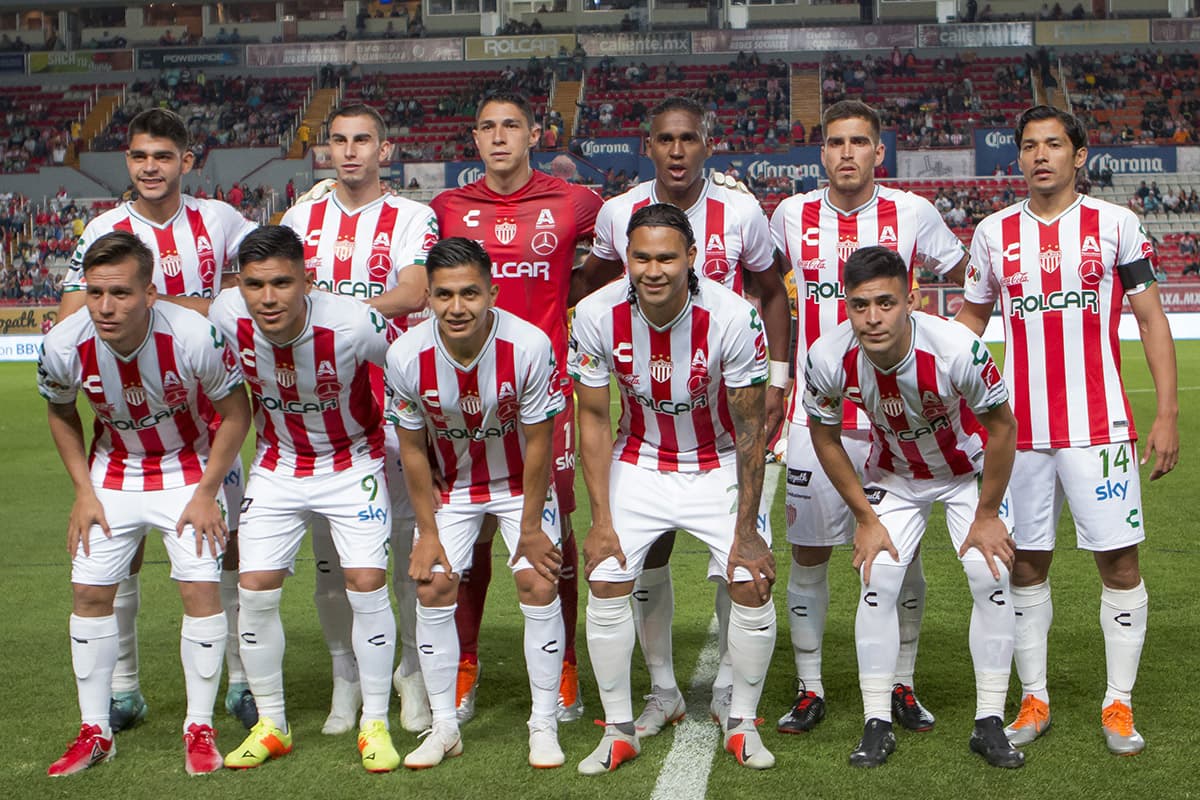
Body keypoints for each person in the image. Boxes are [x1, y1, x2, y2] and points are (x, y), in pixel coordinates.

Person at [957, 105, 1179, 756]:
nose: (1041, 155)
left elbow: (1152, 319)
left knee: (1120, 562)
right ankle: (1035, 699)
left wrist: (1167, 414)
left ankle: (1119, 703)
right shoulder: (994, 233)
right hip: (1018, 432)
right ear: (1018, 157)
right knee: (1024, 564)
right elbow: (970, 323)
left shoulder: (1117, 225)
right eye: (1029, 146)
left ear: (1079, 156)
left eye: (1054, 144)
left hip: (1099, 427)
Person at [582, 96, 790, 732]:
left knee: (742, 564)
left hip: (721, 411)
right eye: (665, 139)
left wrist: (779, 377)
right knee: (639, 559)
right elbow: (588, 283)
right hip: (646, 426)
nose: (677, 150)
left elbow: (772, 290)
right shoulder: (618, 215)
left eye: (688, 139)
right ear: (648, 145)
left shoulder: (741, 212)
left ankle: (730, 688)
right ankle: (661, 690)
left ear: (707, 144)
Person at [768, 100, 968, 735]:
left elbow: (969, 277)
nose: (847, 153)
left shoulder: (913, 212)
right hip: (816, 417)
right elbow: (767, 289)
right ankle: (809, 686)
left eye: (859, 142)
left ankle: (901, 683)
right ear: (822, 152)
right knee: (809, 555)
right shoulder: (790, 214)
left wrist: (946, 354)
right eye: (836, 142)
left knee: (900, 558)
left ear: (879, 152)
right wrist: (777, 375)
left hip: (896, 421)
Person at [58, 108, 259, 736]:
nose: (151, 168)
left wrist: (178, 309)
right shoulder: (104, 228)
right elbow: (72, 314)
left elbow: (259, 280)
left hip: (210, 419)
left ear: (186, 161)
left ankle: (242, 681)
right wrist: (189, 306)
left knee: (225, 550)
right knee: (122, 555)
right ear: (128, 160)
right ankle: (123, 689)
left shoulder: (219, 220)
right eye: (140, 156)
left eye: (163, 156)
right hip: (128, 422)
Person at [570, 204, 776, 774]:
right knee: (606, 577)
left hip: (718, 460)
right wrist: (600, 521)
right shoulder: (594, 314)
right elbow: (593, 418)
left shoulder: (734, 317)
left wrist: (747, 530)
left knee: (751, 581)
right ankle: (627, 723)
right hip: (639, 458)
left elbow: (751, 428)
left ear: (691, 257)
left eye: (666, 257)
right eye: (641, 257)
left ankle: (742, 720)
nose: (653, 270)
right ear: (626, 259)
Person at [38, 231, 251, 776]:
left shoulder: (194, 335)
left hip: (188, 466)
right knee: (89, 591)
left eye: (121, 293)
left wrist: (207, 493)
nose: (105, 307)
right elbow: (61, 412)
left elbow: (237, 412)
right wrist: (83, 492)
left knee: (200, 589)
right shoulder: (64, 343)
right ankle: (95, 731)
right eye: (95, 293)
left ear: (149, 293)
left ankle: (199, 728)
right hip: (113, 469)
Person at [805, 246, 1023, 769]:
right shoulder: (827, 356)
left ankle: (989, 722)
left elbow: (1002, 428)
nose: (873, 318)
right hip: (895, 476)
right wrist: (864, 518)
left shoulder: (956, 349)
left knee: (989, 573)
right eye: (860, 305)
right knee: (877, 577)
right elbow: (825, 436)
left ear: (912, 301)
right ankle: (876, 723)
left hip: (966, 473)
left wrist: (987, 516)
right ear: (846, 306)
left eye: (886, 303)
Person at [430, 91, 603, 724]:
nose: (499, 137)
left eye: (511, 126)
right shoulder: (448, 207)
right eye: (487, 127)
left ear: (535, 135)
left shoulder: (575, 201)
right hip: (463, 396)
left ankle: (565, 663)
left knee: (554, 532)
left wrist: (569, 292)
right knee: (469, 529)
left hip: (544, 395)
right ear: (474, 139)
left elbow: (616, 252)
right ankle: (465, 661)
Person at [209, 226, 401, 772]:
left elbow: (408, 365)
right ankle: (272, 725)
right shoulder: (226, 314)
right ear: (239, 285)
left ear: (307, 280)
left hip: (353, 461)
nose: (268, 298)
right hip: (279, 465)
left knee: (366, 581)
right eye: (255, 285)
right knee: (254, 587)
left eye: (282, 283)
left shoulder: (353, 322)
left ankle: (375, 723)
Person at [281, 102, 438, 735]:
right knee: (331, 560)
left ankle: (411, 671)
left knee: (405, 550)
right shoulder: (301, 218)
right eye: (339, 141)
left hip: (394, 400)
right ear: (326, 150)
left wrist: (333, 315)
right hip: (321, 405)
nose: (349, 151)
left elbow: (415, 290)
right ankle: (344, 675)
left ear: (384, 150)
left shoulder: (412, 216)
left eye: (362, 140)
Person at [385, 237, 568, 769]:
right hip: (455, 487)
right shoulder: (406, 355)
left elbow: (540, 441)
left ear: (492, 293)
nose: (456, 307)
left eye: (469, 293)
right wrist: (427, 533)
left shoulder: (528, 345)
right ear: (428, 298)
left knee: (538, 580)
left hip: (519, 484)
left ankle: (543, 723)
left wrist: (530, 529)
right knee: (433, 583)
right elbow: (412, 450)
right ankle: (444, 726)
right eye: (443, 295)